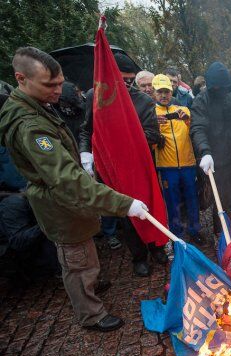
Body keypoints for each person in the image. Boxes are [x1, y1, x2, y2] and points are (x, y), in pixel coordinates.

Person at [0, 46, 149, 331]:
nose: (59, 90)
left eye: (59, 82)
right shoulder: (28, 125)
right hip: (60, 201)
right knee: (75, 258)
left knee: (82, 250)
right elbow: (67, 180)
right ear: (21, 78)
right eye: (49, 85)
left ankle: (89, 284)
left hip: (67, 200)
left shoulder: (36, 104)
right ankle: (91, 314)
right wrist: (123, 204)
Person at [79, 51, 166, 277]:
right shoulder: (95, 96)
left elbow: (153, 135)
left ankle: (156, 246)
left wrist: (123, 138)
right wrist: (85, 153)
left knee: (151, 207)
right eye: (123, 80)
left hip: (141, 165)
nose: (127, 85)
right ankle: (139, 257)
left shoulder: (144, 101)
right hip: (114, 170)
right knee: (127, 214)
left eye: (131, 80)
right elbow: (86, 130)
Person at [190, 62, 231, 231]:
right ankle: (220, 232)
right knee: (220, 197)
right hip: (216, 158)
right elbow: (198, 127)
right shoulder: (202, 100)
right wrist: (205, 152)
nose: (220, 91)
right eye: (216, 88)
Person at [152, 74, 202, 244]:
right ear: (154, 93)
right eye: (160, 92)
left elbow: (195, 131)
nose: (164, 95)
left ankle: (195, 230)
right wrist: (153, 126)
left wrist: (186, 119)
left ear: (172, 91)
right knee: (172, 203)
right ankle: (177, 236)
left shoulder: (183, 110)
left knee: (192, 199)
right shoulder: (152, 114)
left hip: (188, 164)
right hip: (167, 167)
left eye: (167, 91)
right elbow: (149, 142)